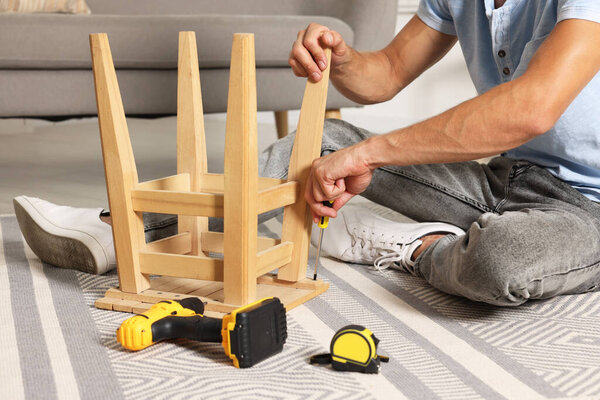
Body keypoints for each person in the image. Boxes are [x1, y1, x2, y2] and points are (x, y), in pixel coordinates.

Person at [14, 0, 600, 306]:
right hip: (501, 178)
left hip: (586, 204)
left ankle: (413, 245)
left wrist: (371, 153)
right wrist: (344, 60)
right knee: (314, 146)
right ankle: (123, 230)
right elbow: (387, 74)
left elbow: (531, 108)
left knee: (499, 264)